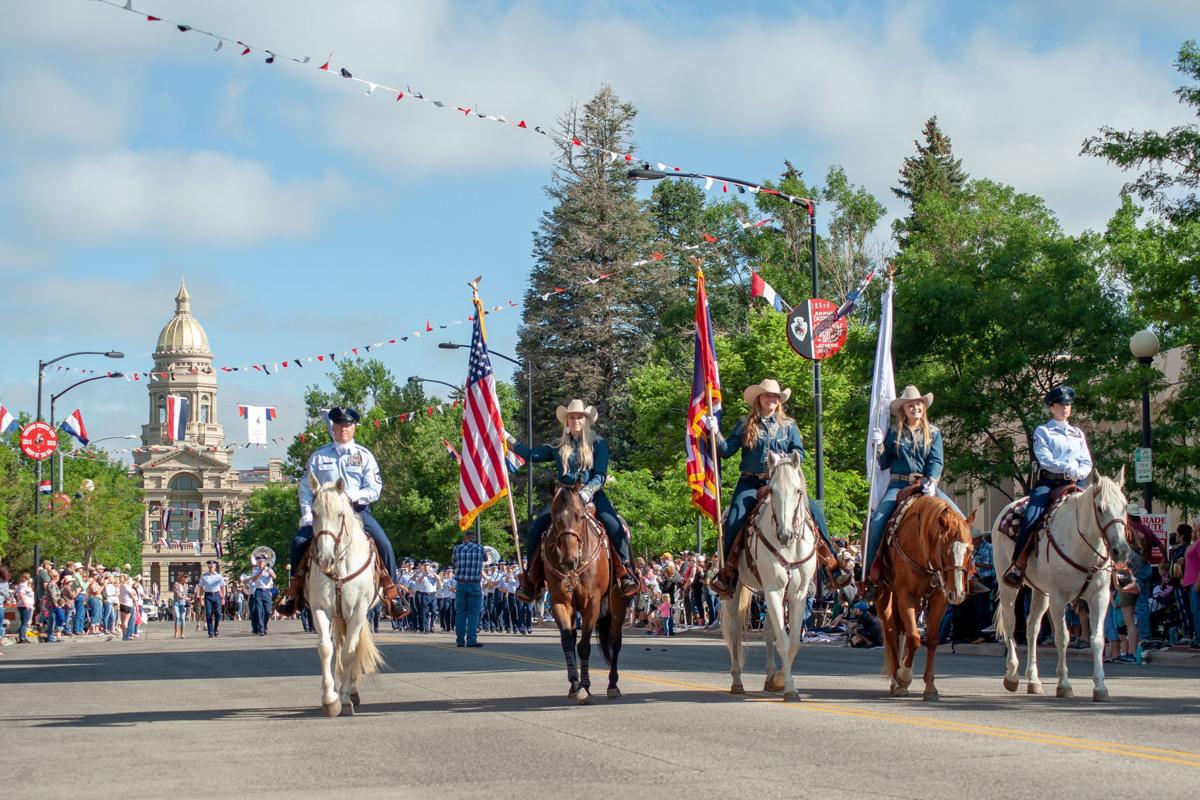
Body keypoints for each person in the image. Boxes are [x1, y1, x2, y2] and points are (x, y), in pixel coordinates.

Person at [705, 379, 851, 597]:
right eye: (767, 396)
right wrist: (714, 432)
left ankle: (830, 565)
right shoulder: (745, 424)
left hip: (783, 483)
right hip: (751, 482)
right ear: (759, 399)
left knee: (816, 512)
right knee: (735, 518)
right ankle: (728, 573)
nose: (772, 399)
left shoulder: (789, 425)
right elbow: (726, 451)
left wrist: (789, 458)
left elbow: (799, 452)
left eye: (775, 396)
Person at [277, 406, 406, 618]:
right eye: (339, 424)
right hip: (325, 514)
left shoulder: (365, 456)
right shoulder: (318, 457)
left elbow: (374, 488)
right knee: (299, 542)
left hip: (356, 512)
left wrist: (355, 495)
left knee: (384, 543)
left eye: (347, 425)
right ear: (332, 427)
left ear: (354, 427)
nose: (343, 429)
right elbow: (305, 488)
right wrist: (308, 513)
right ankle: (295, 592)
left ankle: (392, 594)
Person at [510, 399, 639, 602]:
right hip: (563, 496)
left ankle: (625, 572)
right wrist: (506, 438)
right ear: (567, 421)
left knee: (614, 525)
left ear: (586, 420)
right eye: (572, 417)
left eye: (579, 417)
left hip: (592, 493)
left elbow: (601, 474)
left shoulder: (598, 443)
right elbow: (531, 454)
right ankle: (531, 578)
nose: (576, 420)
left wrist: (588, 492)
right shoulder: (558, 445)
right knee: (537, 527)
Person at [863, 385, 965, 588]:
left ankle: (970, 573)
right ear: (904, 409)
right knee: (876, 523)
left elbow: (936, 461)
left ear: (923, 407)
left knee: (961, 521)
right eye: (910, 405)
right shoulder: (893, 433)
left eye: (918, 404)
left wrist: (933, 481)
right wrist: (879, 446)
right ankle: (869, 575)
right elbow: (884, 464)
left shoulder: (933, 433)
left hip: (925, 484)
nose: (915, 408)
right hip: (898, 485)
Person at [1002, 386, 1093, 587]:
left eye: (1068, 404)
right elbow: (1045, 459)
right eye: (1060, 404)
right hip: (1050, 483)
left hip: (1076, 482)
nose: (1065, 408)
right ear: (1051, 408)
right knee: (1032, 516)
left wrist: (1080, 472)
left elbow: (1086, 460)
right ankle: (1018, 563)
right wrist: (1067, 468)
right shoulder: (1043, 431)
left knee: (1100, 511)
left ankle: (1115, 566)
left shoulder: (1078, 433)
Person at [452, 527, 486, 647]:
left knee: (460, 613)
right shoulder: (480, 549)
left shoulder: (457, 548)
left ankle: (460, 640)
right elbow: (485, 559)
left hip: (461, 584)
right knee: (473, 613)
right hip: (474, 585)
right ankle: (471, 640)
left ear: (465, 538)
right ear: (475, 538)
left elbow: (454, 561)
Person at [247, 554, 275, 636]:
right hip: (258, 591)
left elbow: (274, 577)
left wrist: (268, 571)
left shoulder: (269, 569)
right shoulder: (255, 570)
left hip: (267, 591)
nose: (260, 563)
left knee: (267, 611)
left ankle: (264, 625)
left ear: (265, 562)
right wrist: (261, 571)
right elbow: (254, 579)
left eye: (262, 562)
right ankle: (261, 630)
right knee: (259, 611)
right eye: (259, 562)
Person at [198, 561, 225, 637]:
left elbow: (223, 587)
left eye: (212, 567)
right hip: (208, 595)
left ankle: (216, 629)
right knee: (209, 613)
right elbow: (201, 587)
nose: (211, 568)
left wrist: (223, 597)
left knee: (218, 613)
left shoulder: (219, 576)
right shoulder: (204, 576)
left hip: (217, 594)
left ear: (215, 567)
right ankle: (210, 632)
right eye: (209, 567)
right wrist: (201, 598)